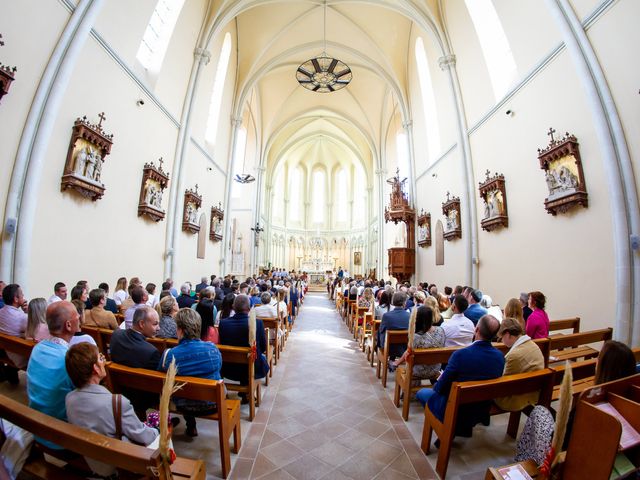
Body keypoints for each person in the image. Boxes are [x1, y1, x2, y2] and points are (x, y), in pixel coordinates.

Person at [65, 342, 158, 477]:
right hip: (117, 463)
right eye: (100, 358)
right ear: (95, 369)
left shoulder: (70, 398)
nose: (103, 361)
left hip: (92, 458)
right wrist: (157, 430)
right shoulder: (116, 402)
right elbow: (144, 436)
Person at [416, 315, 505, 438]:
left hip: (455, 408)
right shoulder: (500, 356)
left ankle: (446, 429)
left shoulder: (460, 355)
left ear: (477, 329)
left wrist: (440, 381)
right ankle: (461, 427)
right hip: (481, 408)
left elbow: (439, 388)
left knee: (421, 393)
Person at [159, 309, 222, 437]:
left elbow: (161, 374)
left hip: (182, 405)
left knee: (184, 390)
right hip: (213, 403)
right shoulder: (212, 349)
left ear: (180, 330)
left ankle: (191, 425)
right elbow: (219, 367)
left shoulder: (170, 354)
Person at [26, 301, 79, 448]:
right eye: (77, 315)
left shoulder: (38, 348)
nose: (80, 316)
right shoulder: (69, 358)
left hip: (37, 426)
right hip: (61, 436)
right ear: (68, 325)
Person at [109, 306, 161, 418]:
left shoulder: (116, 335)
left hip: (118, 389)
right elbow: (156, 384)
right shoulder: (151, 351)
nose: (158, 328)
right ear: (142, 324)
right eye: (155, 324)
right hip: (141, 397)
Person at [219, 295, 269, 398]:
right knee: (260, 359)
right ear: (249, 307)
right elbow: (263, 347)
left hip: (228, 368)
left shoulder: (223, 323)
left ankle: (244, 391)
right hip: (250, 368)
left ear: (233, 307)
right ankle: (247, 392)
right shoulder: (257, 323)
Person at [494, 318, 545, 411]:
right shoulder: (534, 345)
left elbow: (504, 385)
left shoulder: (513, 355)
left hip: (516, 400)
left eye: (501, 338)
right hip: (534, 392)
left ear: (507, 334)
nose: (502, 341)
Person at [393, 306, 445, 385]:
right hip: (435, 369)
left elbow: (408, 352)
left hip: (418, 372)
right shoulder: (441, 330)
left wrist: (398, 362)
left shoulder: (416, 337)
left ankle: (407, 392)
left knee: (410, 363)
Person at [378, 292, 410, 360]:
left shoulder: (387, 316)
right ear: (404, 303)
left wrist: (381, 345)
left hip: (389, 348)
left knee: (380, 331)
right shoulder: (410, 316)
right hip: (405, 348)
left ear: (393, 302)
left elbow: (381, 331)